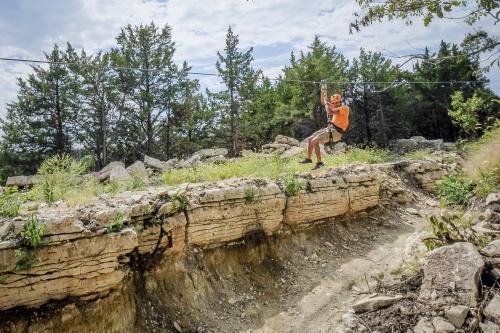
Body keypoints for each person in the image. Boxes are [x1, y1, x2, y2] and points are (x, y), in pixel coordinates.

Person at [300, 84, 350, 170]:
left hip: (336, 132)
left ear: (340, 102)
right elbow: (323, 102)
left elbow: (330, 112)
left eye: (336, 103)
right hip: (331, 129)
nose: (335, 104)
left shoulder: (344, 108)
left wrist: (327, 104)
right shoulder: (334, 106)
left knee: (314, 141)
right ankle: (308, 159)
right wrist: (323, 91)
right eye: (334, 103)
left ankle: (320, 163)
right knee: (310, 139)